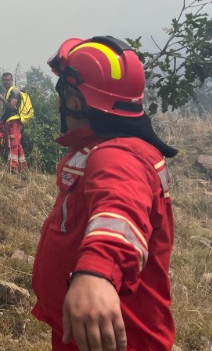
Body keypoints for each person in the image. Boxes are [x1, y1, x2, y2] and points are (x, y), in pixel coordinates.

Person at [32, 36, 178, 350]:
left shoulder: (117, 155)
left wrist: (96, 273)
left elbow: (120, 209)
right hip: (85, 330)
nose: (58, 103)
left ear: (74, 102)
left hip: (111, 339)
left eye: (63, 94)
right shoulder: (111, 147)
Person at [0, 72, 28, 171]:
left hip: (14, 121)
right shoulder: (9, 91)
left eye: (8, 80)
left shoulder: (14, 91)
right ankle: (22, 167)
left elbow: (11, 106)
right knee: (15, 143)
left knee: (13, 143)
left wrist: (2, 99)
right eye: (4, 80)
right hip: (9, 121)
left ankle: (13, 167)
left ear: (11, 80)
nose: (6, 82)